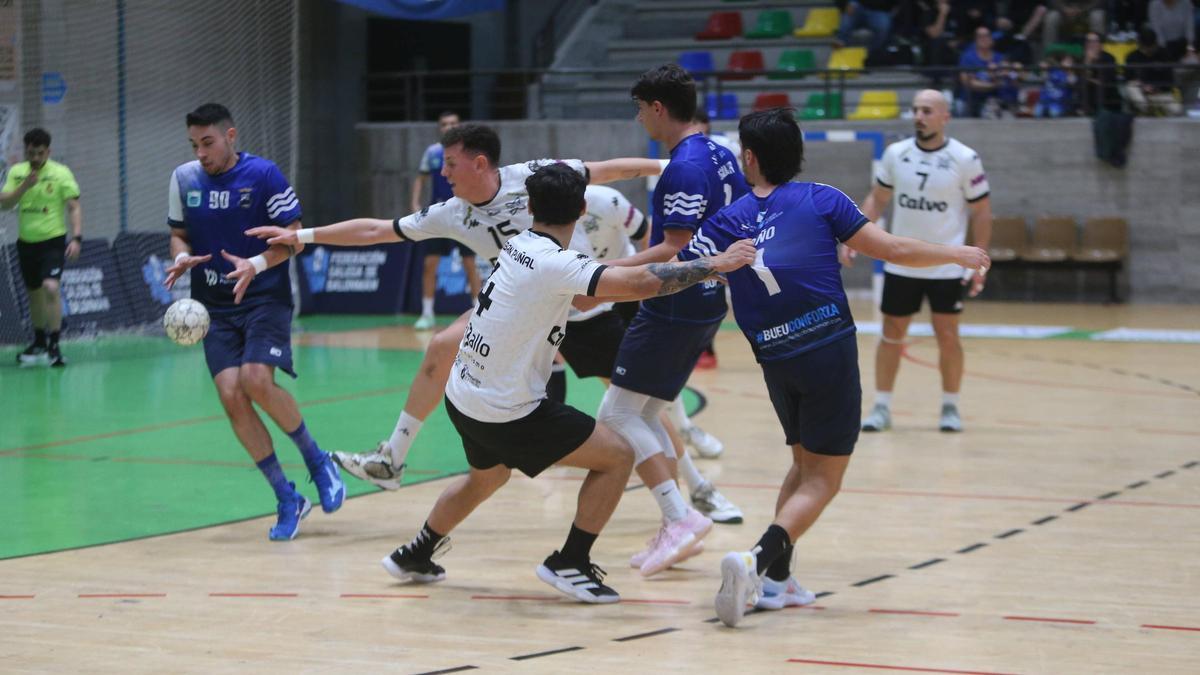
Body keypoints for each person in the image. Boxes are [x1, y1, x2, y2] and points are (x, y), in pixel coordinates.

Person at [376, 165, 757, 602]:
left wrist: (665, 263)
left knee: (487, 476)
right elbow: (632, 285)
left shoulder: (519, 245)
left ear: (530, 207)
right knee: (618, 454)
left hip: (463, 396)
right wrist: (713, 264)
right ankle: (571, 562)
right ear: (580, 209)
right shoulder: (555, 262)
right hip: (507, 410)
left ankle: (416, 551)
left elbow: (584, 289)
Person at [676, 107, 989, 628]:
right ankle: (756, 562)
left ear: (749, 158)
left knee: (802, 467)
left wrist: (602, 278)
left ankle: (778, 583)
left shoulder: (726, 221)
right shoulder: (822, 199)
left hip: (774, 358)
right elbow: (892, 248)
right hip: (827, 351)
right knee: (824, 480)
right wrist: (957, 254)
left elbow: (684, 270)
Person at [248, 124, 665, 492]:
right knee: (442, 346)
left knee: (638, 410)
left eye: (449, 164)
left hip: (582, 308)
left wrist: (670, 166)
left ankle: (688, 497)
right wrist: (303, 236)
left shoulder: (531, 177)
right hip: (522, 312)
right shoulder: (452, 213)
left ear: (479, 163)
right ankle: (392, 457)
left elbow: (609, 168)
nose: (442, 173)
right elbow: (377, 230)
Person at [595, 63, 751, 577]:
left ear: (658, 108)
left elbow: (673, 248)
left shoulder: (682, 167)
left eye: (641, 109)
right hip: (705, 302)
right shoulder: (721, 154)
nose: (640, 119)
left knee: (616, 418)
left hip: (675, 302)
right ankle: (676, 519)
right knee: (646, 412)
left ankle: (679, 517)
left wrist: (597, 273)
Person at [162, 103, 344, 541]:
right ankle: (287, 497)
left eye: (208, 142)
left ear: (231, 136)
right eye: (194, 144)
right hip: (213, 307)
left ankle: (318, 460)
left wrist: (256, 264)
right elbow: (178, 233)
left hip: (264, 297)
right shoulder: (183, 178)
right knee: (231, 395)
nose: (201, 153)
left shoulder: (264, 175)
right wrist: (180, 256)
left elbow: (294, 235)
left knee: (256, 379)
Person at [555, 184, 743, 525]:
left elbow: (652, 240)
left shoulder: (606, 200)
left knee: (633, 407)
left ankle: (693, 495)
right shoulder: (517, 217)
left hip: (621, 298)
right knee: (638, 406)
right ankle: (686, 502)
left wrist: (650, 290)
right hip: (581, 316)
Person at [844, 90, 993, 434]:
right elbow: (877, 200)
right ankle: (881, 407)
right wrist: (855, 236)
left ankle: (950, 407)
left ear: (945, 117)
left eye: (927, 110)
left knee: (948, 335)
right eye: (915, 110)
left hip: (947, 266)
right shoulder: (896, 154)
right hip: (902, 265)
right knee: (891, 332)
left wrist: (981, 257)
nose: (918, 116)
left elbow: (982, 212)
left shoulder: (965, 158)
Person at [1, 128, 83, 367]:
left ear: (48, 151)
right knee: (34, 294)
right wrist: (24, 187)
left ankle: (54, 344)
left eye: (39, 153)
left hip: (52, 242)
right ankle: (38, 342)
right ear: (25, 152)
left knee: (50, 287)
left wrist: (77, 238)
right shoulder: (17, 172)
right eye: (30, 153)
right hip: (26, 243)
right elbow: (5, 205)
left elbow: (74, 207)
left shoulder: (61, 173)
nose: (35, 158)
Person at [410, 111, 481, 331]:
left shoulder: (470, 152)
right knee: (429, 264)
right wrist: (415, 203)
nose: (448, 127)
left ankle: (479, 312)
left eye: (452, 123)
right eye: (444, 124)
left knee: (470, 264)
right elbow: (420, 178)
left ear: (459, 126)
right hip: (438, 216)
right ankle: (427, 313)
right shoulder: (432, 152)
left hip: (464, 214)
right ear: (439, 128)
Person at [1126, 27, 1186, 116]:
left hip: (1161, 93)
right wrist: (1143, 86)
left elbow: (1170, 79)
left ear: (1155, 43)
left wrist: (1156, 87)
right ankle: (1147, 109)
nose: (1147, 50)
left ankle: (1152, 111)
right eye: (1145, 47)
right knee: (1131, 87)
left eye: (1150, 47)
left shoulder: (1164, 54)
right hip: (1141, 94)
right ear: (1139, 45)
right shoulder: (1132, 57)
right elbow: (1128, 78)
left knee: (1177, 110)